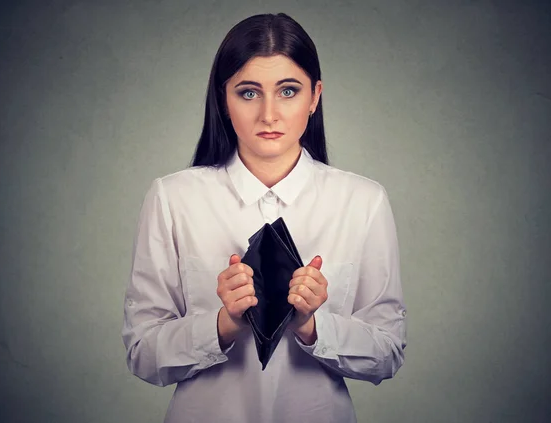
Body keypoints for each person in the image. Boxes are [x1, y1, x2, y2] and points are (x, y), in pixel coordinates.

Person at [122, 12, 407, 423]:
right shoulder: (173, 198)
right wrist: (221, 325)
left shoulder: (363, 201)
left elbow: (388, 353)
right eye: (249, 93)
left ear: (314, 96)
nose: (269, 115)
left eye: (288, 91)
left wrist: (313, 327)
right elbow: (141, 354)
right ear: (224, 98)